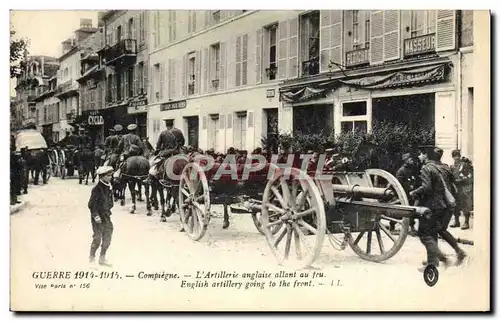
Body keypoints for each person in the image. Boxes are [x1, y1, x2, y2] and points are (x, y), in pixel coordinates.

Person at [409, 146, 467, 271]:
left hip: (432, 205)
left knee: (424, 234)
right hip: (445, 205)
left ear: (426, 155)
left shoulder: (426, 168)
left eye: (420, 154)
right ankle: (445, 256)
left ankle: (438, 261)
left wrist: (414, 192)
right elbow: (452, 183)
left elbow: (427, 188)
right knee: (436, 230)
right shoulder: (445, 167)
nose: (419, 156)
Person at [88, 166, 115, 266]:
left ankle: (102, 258)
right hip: (98, 218)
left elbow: (110, 202)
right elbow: (91, 204)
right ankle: (91, 259)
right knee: (97, 238)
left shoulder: (109, 187)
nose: (110, 177)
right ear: (102, 177)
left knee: (108, 237)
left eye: (111, 175)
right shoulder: (97, 189)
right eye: (108, 176)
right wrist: (95, 216)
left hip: (106, 216)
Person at [450, 149, 474, 230]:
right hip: (456, 188)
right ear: (453, 157)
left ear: (459, 156)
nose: (456, 158)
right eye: (454, 156)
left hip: (464, 188)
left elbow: (470, 176)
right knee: (455, 205)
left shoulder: (465, 164)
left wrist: (462, 179)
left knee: (465, 205)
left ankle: (466, 222)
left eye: (457, 156)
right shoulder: (452, 166)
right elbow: (451, 177)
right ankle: (456, 221)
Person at [395, 153, 418, 234]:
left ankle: (412, 227)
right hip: (403, 194)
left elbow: (412, 180)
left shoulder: (410, 169)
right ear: (406, 160)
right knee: (399, 211)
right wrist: (409, 187)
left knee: (411, 211)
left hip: (410, 194)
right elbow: (399, 183)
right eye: (410, 159)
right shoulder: (401, 171)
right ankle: (392, 225)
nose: (412, 161)